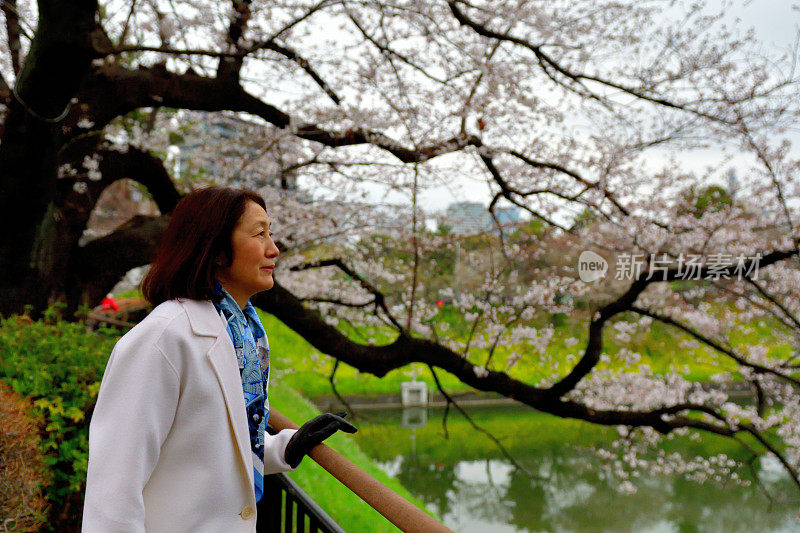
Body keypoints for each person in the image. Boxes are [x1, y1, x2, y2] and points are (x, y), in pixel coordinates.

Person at [82, 187, 356, 532]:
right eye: (260, 234)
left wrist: (286, 446)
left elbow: (209, 446)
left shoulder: (244, 334)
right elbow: (113, 494)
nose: (274, 249)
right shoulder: (162, 339)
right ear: (214, 249)